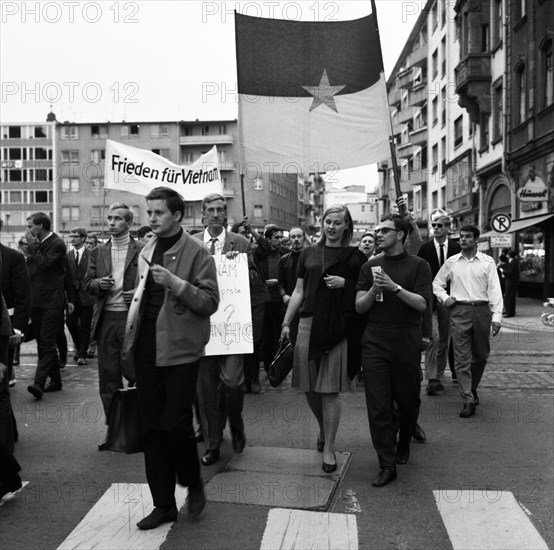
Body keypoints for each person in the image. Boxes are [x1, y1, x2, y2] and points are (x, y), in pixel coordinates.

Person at [122, 187, 219, 530]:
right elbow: (139, 295)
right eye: (149, 212)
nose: (152, 218)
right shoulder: (146, 247)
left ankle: (193, 483)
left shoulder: (197, 251)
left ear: (177, 215)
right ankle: (163, 504)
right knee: (151, 427)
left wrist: (177, 284)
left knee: (175, 424)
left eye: (158, 212)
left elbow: (210, 302)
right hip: (146, 345)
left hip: (181, 349)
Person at [280, 205, 364, 473]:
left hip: (337, 328)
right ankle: (322, 428)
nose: (331, 227)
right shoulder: (308, 253)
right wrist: (285, 322)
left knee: (329, 390)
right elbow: (298, 291)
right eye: (328, 221)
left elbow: (365, 293)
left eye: (338, 222)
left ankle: (329, 447)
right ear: (322, 223)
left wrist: (346, 284)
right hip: (306, 324)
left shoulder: (356, 257)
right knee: (310, 388)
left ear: (346, 226)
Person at [355, 214, 432, 488]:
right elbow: (360, 307)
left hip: (406, 340)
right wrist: (374, 288)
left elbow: (423, 304)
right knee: (378, 406)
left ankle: (404, 439)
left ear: (400, 235)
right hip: (375, 340)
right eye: (377, 230)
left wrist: (395, 288)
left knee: (409, 401)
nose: (379, 234)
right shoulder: (371, 266)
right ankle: (386, 463)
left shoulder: (419, 266)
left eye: (385, 230)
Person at [193, 193, 254, 466]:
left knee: (232, 383)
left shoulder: (240, 243)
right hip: (203, 325)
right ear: (203, 214)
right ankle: (213, 443)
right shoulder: (192, 243)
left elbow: (254, 279)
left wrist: (237, 265)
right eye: (211, 210)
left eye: (221, 209)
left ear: (225, 213)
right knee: (206, 388)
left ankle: (237, 423)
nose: (216, 214)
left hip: (232, 326)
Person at [84, 203, 143, 448]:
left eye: (117, 218)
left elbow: (152, 281)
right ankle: (114, 431)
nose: (111, 222)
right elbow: (86, 284)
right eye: (109, 218)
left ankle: (138, 430)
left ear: (129, 223)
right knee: (108, 379)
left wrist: (138, 292)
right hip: (107, 318)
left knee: (137, 375)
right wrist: (98, 284)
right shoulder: (98, 251)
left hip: (132, 319)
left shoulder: (142, 249)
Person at [433, 225, 503, 418]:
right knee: (461, 358)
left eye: (468, 237)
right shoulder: (452, 262)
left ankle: (471, 387)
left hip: (482, 310)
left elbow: (495, 290)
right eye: (461, 237)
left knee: (480, 355)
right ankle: (467, 398)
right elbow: (436, 284)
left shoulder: (488, 262)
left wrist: (497, 317)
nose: (463, 240)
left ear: (476, 240)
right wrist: (444, 297)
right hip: (459, 310)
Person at [417, 211, 461, 395]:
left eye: (439, 225)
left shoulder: (456, 248)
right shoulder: (425, 248)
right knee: (433, 337)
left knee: (445, 339)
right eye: (433, 225)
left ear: (448, 228)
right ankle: (432, 378)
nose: (435, 228)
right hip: (431, 301)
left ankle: (439, 375)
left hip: (450, 300)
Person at [25, 213, 68, 399]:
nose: (28, 230)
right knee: (42, 343)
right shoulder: (38, 245)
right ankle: (56, 381)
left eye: (30, 226)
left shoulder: (57, 243)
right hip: (37, 301)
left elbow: (44, 264)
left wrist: (32, 246)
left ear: (40, 226)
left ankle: (38, 383)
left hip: (52, 301)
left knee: (48, 342)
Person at [231, 218, 271, 394]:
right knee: (237, 342)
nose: (245, 237)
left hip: (255, 302)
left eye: (247, 234)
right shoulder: (229, 253)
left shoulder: (254, 252)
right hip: (236, 303)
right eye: (242, 233)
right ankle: (240, 379)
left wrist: (253, 231)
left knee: (254, 341)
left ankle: (253, 379)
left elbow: (266, 248)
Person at [0, 242, 30, 387]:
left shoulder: (13, 257)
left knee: (2, 385)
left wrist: (17, 328)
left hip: (6, 325)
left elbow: (23, 295)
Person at [261, 225, 289, 371]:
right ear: (268, 239)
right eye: (276, 237)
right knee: (266, 336)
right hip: (265, 301)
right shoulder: (260, 255)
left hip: (281, 301)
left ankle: (278, 366)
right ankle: (268, 366)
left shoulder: (285, 253)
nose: (280, 240)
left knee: (280, 335)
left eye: (280, 237)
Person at [66, 227, 95, 366]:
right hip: (72, 296)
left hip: (86, 295)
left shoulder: (91, 254)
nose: (73, 238)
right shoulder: (68, 255)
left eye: (76, 236)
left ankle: (82, 354)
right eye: (71, 236)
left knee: (85, 325)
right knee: (70, 323)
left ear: (83, 238)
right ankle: (79, 347)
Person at [277, 227, 306, 345]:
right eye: (293, 237)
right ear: (289, 240)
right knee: (289, 339)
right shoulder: (284, 260)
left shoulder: (310, 258)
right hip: (289, 305)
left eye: (299, 236)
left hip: (306, 305)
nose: (296, 239)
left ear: (304, 238)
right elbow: (280, 282)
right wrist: (283, 295)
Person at [503, 250, 519, 317]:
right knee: (510, 297)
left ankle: (509, 312)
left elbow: (510, 272)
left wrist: (503, 271)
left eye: (508, 255)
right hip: (511, 282)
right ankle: (510, 311)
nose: (507, 256)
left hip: (511, 282)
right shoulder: (513, 262)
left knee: (509, 297)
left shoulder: (513, 262)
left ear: (509, 255)